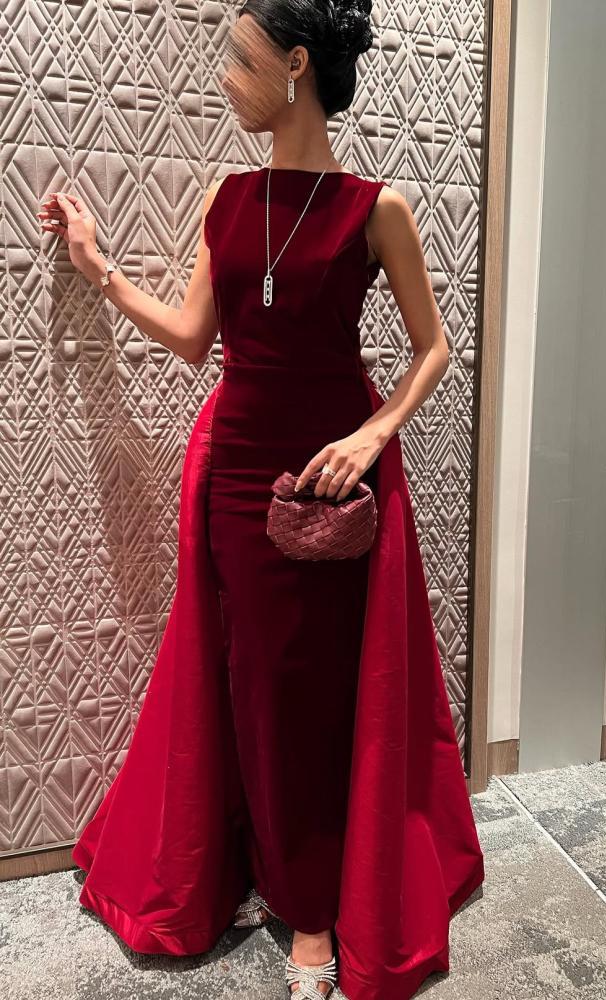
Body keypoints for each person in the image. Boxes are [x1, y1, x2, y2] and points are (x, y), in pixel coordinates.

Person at [38, 2, 485, 998]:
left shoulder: (376, 208)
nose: (224, 79)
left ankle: (315, 911)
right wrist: (99, 270)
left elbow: (433, 349)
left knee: (314, 689)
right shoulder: (227, 198)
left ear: (295, 65)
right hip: (237, 472)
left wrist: (374, 434)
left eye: (240, 60)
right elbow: (194, 337)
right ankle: (261, 863)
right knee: (249, 679)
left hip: (334, 476)